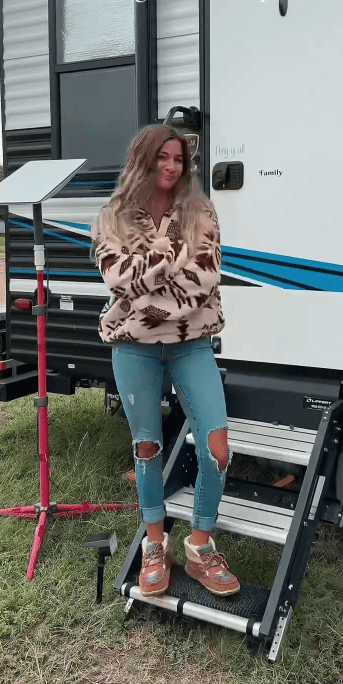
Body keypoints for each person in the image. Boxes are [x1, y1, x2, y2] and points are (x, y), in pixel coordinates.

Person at [92, 123, 240, 598]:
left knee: (217, 446)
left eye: (179, 159)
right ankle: (156, 545)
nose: (173, 167)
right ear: (144, 159)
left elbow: (206, 277)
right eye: (163, 158)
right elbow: (117, 278)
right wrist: (172, 262)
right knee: (147, 448)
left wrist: (150, 287)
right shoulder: (112, 215)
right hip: (132, 346)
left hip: (191, 342)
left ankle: (200, 545)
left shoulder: (201, 211)